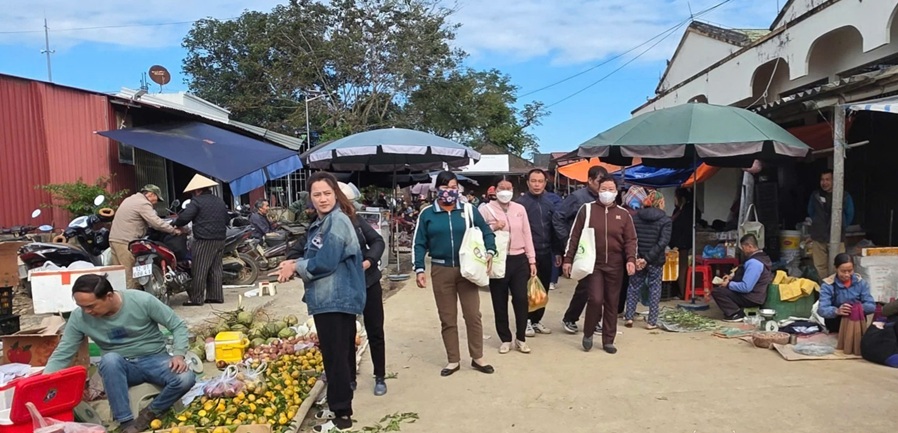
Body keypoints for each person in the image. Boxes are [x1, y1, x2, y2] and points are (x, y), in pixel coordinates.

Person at [272, 172, 366, 432]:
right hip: (330, 298)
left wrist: (295, 266)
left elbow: (326, 261)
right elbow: (314, 253)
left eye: (327, 193)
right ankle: (339, 406)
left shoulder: (337, 220)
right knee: (338, 355)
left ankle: (342, 417)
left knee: (336, 358)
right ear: (310, 198)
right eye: (317, 194)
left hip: (336, 298)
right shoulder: (323, 221)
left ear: (336, 194)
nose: (323, 199)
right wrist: (293, 261)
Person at [44, 274, 193, 433]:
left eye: (91, 306)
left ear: (109, 296)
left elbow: (177, 326)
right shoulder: (79, 317)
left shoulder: (141, 300)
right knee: (110, 360)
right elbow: (64, 352)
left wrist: (178, 354)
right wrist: (44, 381)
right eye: (81, 307)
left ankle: (149, 414)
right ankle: (126, 422)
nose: (86, 311)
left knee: (186, 378)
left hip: (155, 360)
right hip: (120, 367)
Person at [413, 171, 497, 376]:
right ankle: (453, 360)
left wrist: (490, 251)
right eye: (444, 187)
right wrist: (419, 268)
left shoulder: (468, 210)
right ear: (437, 189)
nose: (449, 191)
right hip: (441, 270)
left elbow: (486, 232)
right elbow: (419, 243)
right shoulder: (427, 214)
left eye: (453, 187)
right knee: (447, 317)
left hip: (467, 269)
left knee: (473, 315)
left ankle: (478, 357)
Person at [562, 175, 637, 353]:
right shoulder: (587, 210)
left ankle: (608, 340)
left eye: (611, 189)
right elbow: (574, 235)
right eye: (604, 189)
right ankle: (588, 333)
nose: (607, 193)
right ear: (598, 190)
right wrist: (568, 259)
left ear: (616, 192)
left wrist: (631, 259)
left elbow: (631, 240)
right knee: (595, 299)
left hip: (615, 264)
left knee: (612, 302)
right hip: (593, 263)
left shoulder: (623, 214)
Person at [481, 179, 537, 354]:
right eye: (501, 188)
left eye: (508, 188)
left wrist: (532, 259)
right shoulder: (485, 209)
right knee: (499, 300)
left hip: (519, 259)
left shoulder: (519, 209)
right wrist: (493, 227)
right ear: (495, 190)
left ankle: (521, 338)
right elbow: (477, 232)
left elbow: (527, 233)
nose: (505, 191)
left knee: (521, 299)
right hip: (498, 259)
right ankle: (505, 338)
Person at [552, 165, 608, 334]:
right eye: (599, 181)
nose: (602, 186)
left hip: (602, 248)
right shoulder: (577, 197)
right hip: (583, 248)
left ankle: (594, 319)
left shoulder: (605, 199)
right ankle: (571, 318)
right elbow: (558, 218)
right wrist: (568, 241)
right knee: (586, 284)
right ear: (590, 180)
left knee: (600, 285)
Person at [109, 185, 181, 289]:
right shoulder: (143, 203)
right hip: (126, 241)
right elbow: (156, 222)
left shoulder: (130, 199)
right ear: (151, 194)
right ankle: (133, 297)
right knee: (130, 275)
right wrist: (173, 231)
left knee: (119, 275)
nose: (155, 203)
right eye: (157, 199)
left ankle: (119, 296)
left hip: (114, 239)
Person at [174, 175, 230, 306]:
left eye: (193, 192)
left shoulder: (197, 201)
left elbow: (184, 218)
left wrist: (176, 223)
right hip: (220, 238)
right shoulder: (219, 201)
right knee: (216, 268)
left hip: (204, 239)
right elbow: (227, 220)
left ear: (198, 190)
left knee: (200, 268)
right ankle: (215, 296)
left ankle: (196, 298)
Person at [516, 168, 557, 336]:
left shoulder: (549, 203)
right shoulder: (520, 204)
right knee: (527, 289)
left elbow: (554, 228)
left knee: (543, 288)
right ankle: (525, 321)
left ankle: (536, 320)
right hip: (526, 254)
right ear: (528, 183)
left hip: (546, 252)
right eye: (533, 181)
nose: (537, 185)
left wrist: (558, 251)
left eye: (540, 181)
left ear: (545, 183)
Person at [623, 188, 671, 329]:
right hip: (655, 260)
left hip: (638, 259)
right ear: (660, 202)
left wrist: (638, 258)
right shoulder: (665, 220)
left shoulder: (635, 218)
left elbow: (632, 239)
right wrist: (648, 259)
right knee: (655, 288)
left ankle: (629, 317)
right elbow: (663, 242)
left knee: (633, 287)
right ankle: (651, 322)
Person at [711, 234, 773, 322]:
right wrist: (731, 277)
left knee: (717, 291)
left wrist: (728, 284)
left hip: (752, 298)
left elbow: (746, 287)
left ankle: (735, 314)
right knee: (724, 289)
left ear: (749, 246)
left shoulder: (754, 263)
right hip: (756, 296)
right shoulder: (761, 257)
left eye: (743, 248)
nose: (743, 251)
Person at [808, 169, 855, 280]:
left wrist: (841, 226)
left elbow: (850, 214)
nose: (824, 183)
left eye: (828, 179)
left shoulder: (844, 195)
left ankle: (837, 287)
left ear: (835, 180)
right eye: (822, 180)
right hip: (819, 236)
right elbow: (811, 211)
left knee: (839, 264)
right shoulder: (816, 195)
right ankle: (825, 286)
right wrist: (818, 222)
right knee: (820, 265)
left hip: (837, 237)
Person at [818, 253, 875, 333]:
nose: (847, 274)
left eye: (850, 271)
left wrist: (857, 308)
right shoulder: (828, 285)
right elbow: (822, 309)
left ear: (853, 268)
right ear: (836, 268)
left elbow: (871, 306)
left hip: (857, 324)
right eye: (843, 271)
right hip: (836, 325)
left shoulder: (861, 283)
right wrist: (837, 311)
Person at [669, 187, 700, 299]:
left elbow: (685, 229)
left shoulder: (688, 211)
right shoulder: (678, 210)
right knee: (677, 267)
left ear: (681, 198)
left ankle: (683, 293)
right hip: (677, 243)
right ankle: (679, 291)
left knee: (682, 268)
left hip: (682, 244)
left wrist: (677, 244)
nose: (674, 200)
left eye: (675, 197)